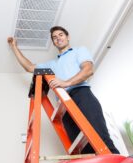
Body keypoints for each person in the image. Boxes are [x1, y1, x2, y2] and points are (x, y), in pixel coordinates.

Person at [7, 26, 119, 154]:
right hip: (64, 105)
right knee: (83, 150)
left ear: (67, 37)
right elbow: (29, 67)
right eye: (54, 37)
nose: (58, 38)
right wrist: (14, 47)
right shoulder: (51, 64)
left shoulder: (79, 51)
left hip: (82, 95)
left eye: (60, 35)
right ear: (53, 42)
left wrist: (66, 83)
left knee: (101, 138)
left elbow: (88, 70)